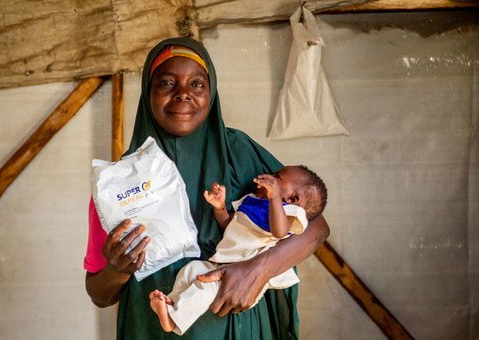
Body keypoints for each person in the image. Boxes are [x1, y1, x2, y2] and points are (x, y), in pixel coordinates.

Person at [84, 37, 330, 339]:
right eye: (166, 83)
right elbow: (99, 294)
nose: (183, 94)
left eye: (197, 84)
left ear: (211, 93)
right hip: (152, 330)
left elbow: (315, 225)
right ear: (148, 94)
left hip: (239, 330)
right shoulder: (118, 184)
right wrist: (117, 269)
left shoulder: (239, 152)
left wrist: (258, 269)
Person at [149, 165, 327, 335]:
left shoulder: (290, 214)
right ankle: (172, 303)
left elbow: (279, 232)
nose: (271, 177)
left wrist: (274, 198)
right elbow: (231, 224)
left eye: (277, 177)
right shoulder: (254, 201)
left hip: (241, 279)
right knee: (192, 270)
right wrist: (220, 207)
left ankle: (173, 321)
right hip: (222, 264)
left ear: (293, 199)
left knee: (205, 286)